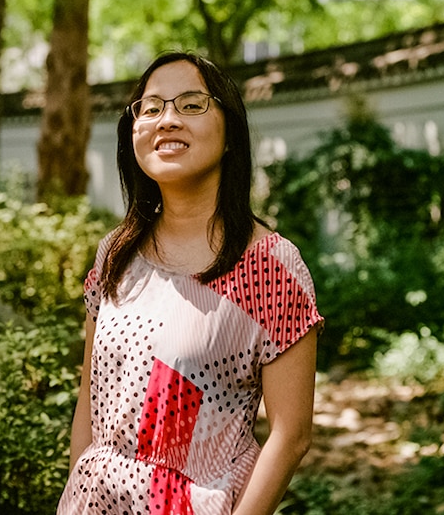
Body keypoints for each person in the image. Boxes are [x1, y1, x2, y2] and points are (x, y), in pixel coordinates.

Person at [56, 52, 323, 515]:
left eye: (192, 104)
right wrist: (80, 480)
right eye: (151, 107)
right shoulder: (115, 253)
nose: (168, 120)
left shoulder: (271, 266)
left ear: (230, 133)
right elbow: (89, 391)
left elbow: (291, 435)